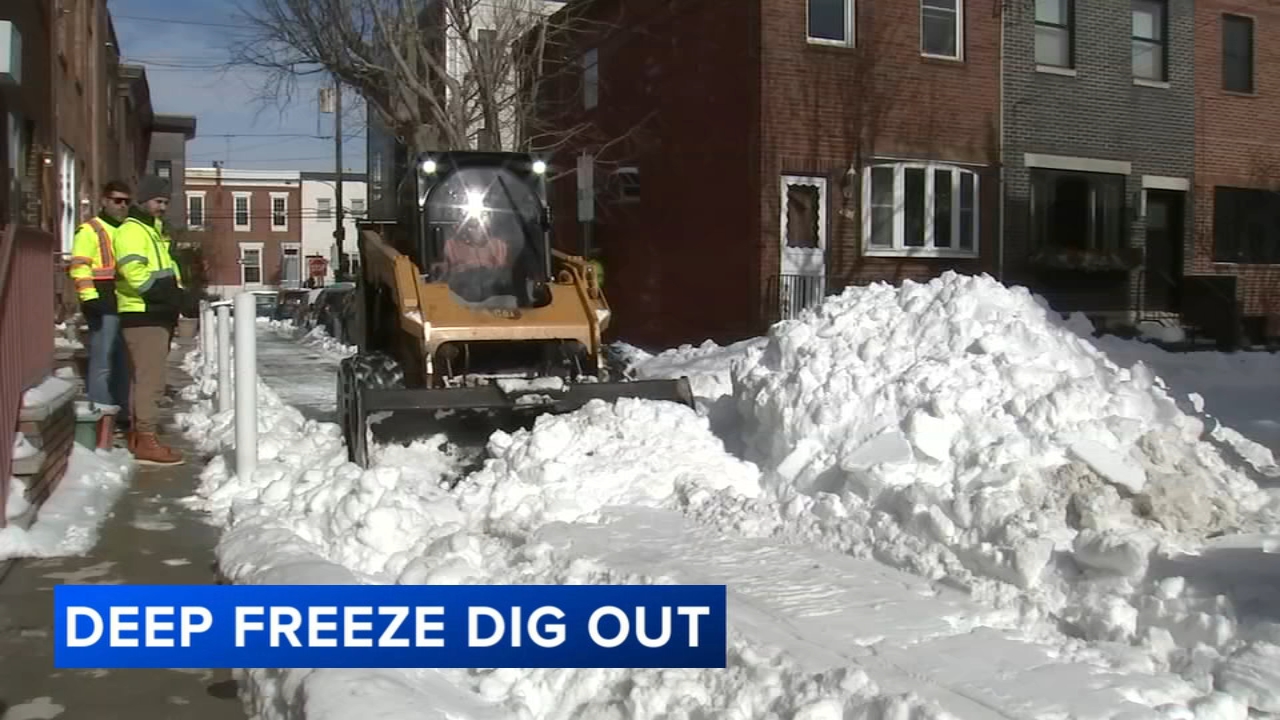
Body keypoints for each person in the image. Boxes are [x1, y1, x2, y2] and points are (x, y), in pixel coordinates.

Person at [112, 175, 186, 466]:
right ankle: (146, 438)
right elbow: (134, 272)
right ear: (143, 200)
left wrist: (177, 294)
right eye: (158, 201)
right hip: (144, 314)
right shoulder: (133, 231)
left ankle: (138, 435)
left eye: (166, 202)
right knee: (150, 380)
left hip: (154, 313)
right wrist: (165, 295)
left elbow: (164, 271)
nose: (162, 207)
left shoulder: (152, 232)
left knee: (143, 378)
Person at [68, 180, 133, 449]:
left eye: (126, 201)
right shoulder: (90, 230)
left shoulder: (128, 230)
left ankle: (120, 415)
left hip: (123, 302)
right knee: (102, 361)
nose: (122, 206)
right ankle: (101, 416)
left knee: (122, 362)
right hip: (102, 302)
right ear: (104, 200)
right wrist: (89, 298)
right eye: (117, 200)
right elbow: (80, 266)